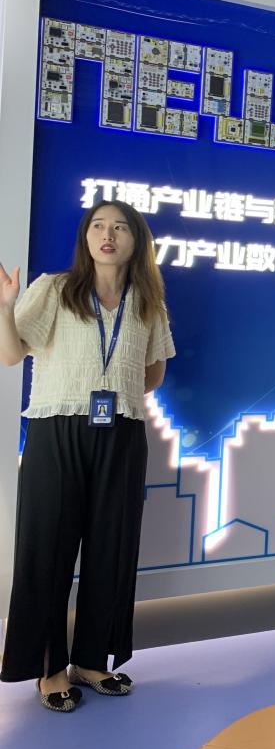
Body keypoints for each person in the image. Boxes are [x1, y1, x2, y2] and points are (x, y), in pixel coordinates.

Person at [0, 201, 175, 712]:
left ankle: (93, 661)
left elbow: (154, 370)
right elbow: (11, 354)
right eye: (98, 225)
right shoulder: (54, 289)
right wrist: (6, 307)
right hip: (57, 430)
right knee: (47, 550)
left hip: (122, 432)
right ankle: (50, 668)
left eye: (119, 227)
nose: (107, 234)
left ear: (135, 241)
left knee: (111, 550)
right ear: (86, 237)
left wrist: (118, 387)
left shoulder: (148, 301)